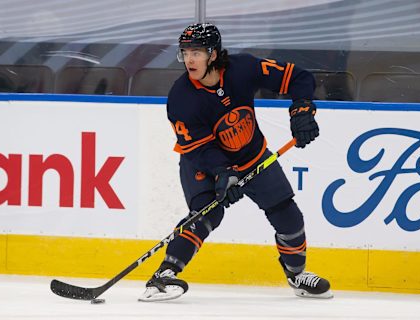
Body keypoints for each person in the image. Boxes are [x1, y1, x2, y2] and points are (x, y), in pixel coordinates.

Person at [139, 23, 332, 302]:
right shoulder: (181, 98)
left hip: (253, 157)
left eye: (197, 52)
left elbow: (299, 78)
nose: (189, 60)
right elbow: (199, 148)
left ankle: (297, 274)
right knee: (206, 214)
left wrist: (302, 110)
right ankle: (164, 275)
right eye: (185, 53)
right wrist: (223, 173)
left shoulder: (244, 69)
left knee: (288, 217)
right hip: (203, 162)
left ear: (214, 54)